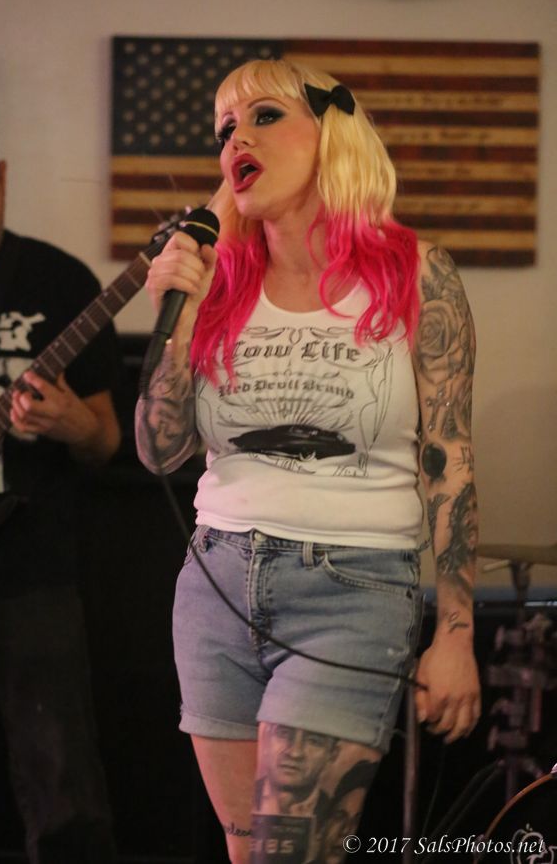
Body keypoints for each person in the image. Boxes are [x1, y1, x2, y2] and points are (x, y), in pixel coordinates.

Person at [135, 58, 481, 864]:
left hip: (352, 587)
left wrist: (456, 631)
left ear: (332, 132)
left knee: (290, 854)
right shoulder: (219, 278)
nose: (237, 141)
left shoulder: (416, 271)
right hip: (218, 581)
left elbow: (451, 458)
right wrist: (176, 313)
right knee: (247, 849)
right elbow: (159, 450)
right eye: (224, 129)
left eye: (263, 117)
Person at [0, 116, 121, 863]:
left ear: (4, 178)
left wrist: (72, 423)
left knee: (63, 790)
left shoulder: (60, 282)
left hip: (27, 570)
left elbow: (107, 442)